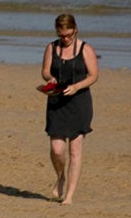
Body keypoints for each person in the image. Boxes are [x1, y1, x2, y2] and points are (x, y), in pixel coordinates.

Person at [41, 13, 97, 204]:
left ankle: (69, 195)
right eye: (62, 35)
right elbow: (45, 71)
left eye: (68, 35)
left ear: (75, 30)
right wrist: (50, 78)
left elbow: (93, 75)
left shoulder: (85, 48)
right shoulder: (51, 47)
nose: (65, 39)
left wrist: (77, 86)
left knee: (75, 149)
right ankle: (60, 177)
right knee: (57, 149)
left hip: (79, 102)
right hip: (57, 101)